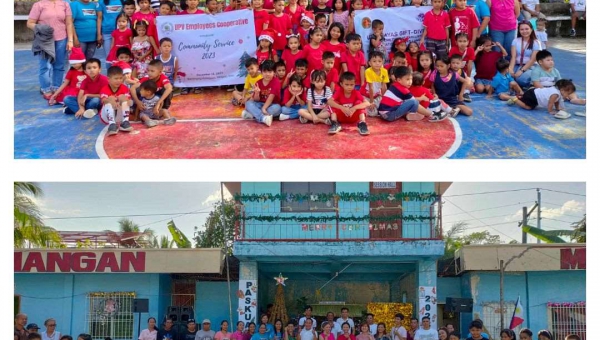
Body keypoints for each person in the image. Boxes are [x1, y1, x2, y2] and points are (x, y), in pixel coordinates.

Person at [27, 0, 74, 99]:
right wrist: (41, 28)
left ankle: (56, 88)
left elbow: (69, 23)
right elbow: (30, 23)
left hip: (62, 39)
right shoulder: (39, 5)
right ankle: (46, 89)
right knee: (45, 66)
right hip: (45, 40)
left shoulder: (65, 4)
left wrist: (70, 40)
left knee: (59, 65)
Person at [379, 67, 448, 122]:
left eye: (411, 79)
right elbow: (414, 102)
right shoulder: (404, 90)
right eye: (407, 79)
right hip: (389, 115)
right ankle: (433, 115)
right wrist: (422, 100)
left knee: (406, 102)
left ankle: (409, 115)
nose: (410, 82)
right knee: (414, 102)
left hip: (383, 114)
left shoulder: (394, 85)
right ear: (399, 80)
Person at [241, 60, 282, 126]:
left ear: (274, 72)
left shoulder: (276, 82)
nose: (267, 74)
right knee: (248, 103)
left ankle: (253, 114)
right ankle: (263, 118)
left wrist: (264, 108)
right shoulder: (258, 82)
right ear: (261, 72)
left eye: (270, 71)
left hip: (272, 104)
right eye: (265, 72)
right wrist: (257, 93)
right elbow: (256, 100)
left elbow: (271, 97)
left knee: (277, 109)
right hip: (260, 104)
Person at [509, 20, 541, 88]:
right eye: (522, 29)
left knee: (521, 79)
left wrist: (522, 71)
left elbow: (532, 60)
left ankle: (536, 81)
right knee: (508, 77)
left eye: (527, 29)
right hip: (517, 65)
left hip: (530, 66)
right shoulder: (515, 41)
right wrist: (510, 69)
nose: (524, 31)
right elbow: (513, 57)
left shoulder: (536, 42)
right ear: (519, 31)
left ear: (531, 29)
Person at [363, 51, 388, 116]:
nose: (377, 63)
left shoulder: (384, 71)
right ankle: (363, 108)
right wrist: (371, 102)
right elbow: (371, 88)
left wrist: (384, 100)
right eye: (374, 61)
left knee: (385, 107)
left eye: (379, 61)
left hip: (377, 96)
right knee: (373, 114)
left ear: (383, 62)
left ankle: (376, 107)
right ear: (370, 63)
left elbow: (384, 86)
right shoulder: (368, 71)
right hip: (366, 96)